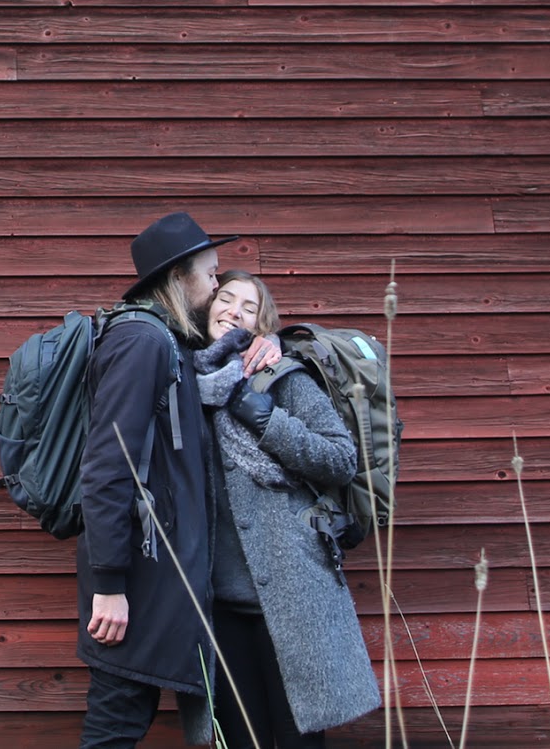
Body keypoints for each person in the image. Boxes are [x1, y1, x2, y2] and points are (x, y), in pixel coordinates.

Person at [76, 213, 274, 748]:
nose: (216, 285)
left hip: (154, 577)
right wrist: (109, 586)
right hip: (133, 580)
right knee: (115, 725)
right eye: (209, 274)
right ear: (178, 276)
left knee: (124, 720)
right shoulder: (141, 341)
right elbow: (107, 467)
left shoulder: (169, 340)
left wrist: (271, 344)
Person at [194, 271, 381, 749]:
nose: (233, 311)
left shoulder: (281, 377)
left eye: (249, 306)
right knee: (238, 740)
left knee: (300, 741)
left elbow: (340, 459)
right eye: (225, 298)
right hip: (217, 605)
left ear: (262, 323)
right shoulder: (184, 382)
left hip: (294, 597)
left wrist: (266, 419)